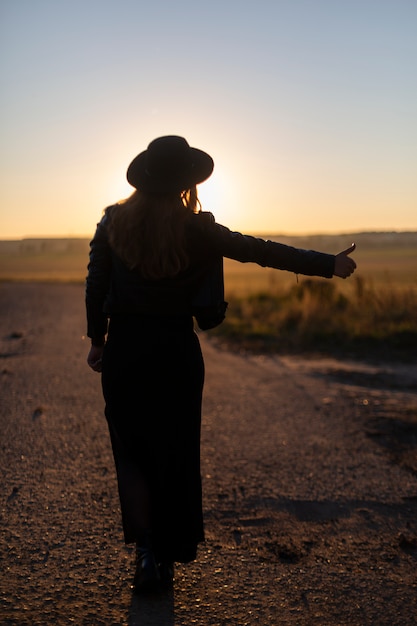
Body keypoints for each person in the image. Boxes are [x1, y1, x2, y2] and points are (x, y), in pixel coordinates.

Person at [85, 135, 356, 592]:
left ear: (144, 177)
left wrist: (98, 340)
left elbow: (95, 283)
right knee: (174, 451)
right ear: (187, 181)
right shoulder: (198, 228)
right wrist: (327, 264)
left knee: (132, 455)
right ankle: (167, 557)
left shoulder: (113, 221)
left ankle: (147, 554)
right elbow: (260, 250)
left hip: (126, 352)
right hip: (176, 352)